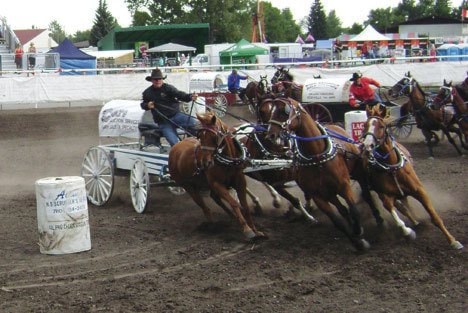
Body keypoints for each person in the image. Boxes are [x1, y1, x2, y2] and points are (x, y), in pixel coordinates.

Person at [141, 68, 198, 146]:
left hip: (176, 116)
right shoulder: (147, 93)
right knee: (174, 143)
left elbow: (180, 95)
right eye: (155, 79)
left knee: (193, 122)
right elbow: (143, 104)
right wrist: (147, 105)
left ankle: (192, 143)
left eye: (159, 79)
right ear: (152, 80)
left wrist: (190, 96)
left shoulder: (168, 88)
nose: (158, 81)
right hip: (163, 122)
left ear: (162, 79)